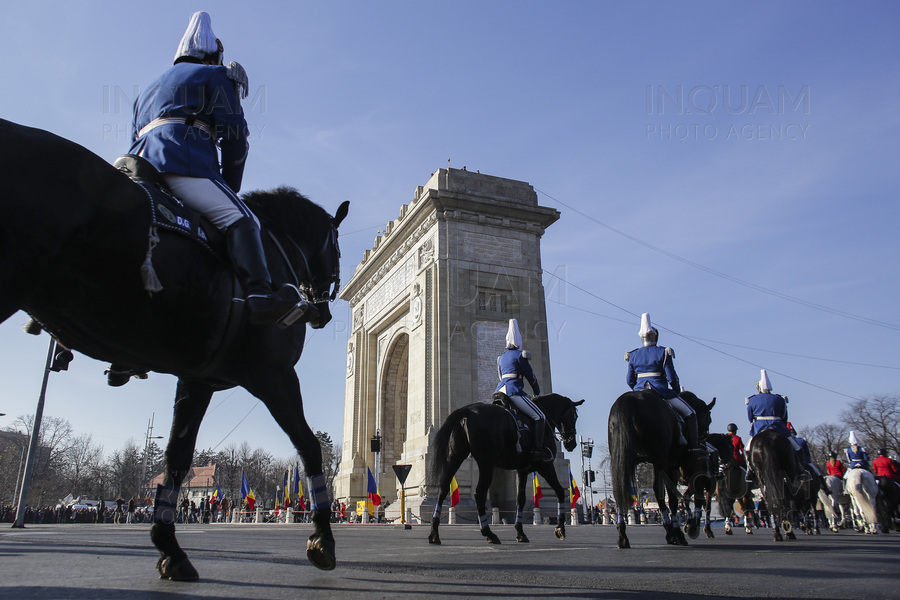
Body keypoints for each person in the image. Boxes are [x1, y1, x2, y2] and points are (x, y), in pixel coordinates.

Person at [130, 11, 300, 325]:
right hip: (182, 162)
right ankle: (260, 294)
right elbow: (234, 134)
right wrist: (229, 183)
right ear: (213, 55)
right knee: (242, 218)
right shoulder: (214, 75)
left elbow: (133, 136)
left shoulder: (145, 92)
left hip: (138, 165)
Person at [625, 313, 706, 466]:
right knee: (690, 413)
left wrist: (637, 390)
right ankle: (694, 448)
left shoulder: (633, 355)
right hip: (660, 390)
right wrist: (676, 391)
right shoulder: (663, 352)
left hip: (638, 391)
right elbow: (672, 378)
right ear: (655, 337)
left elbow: (629, 380)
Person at [496, 319, 550, 461]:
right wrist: (536, 391)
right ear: (518, 342)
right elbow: (530, 376)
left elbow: (500, 376)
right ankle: (537, 450)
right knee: (540, 417)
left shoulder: (501, 358)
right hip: (514, 392)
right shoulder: (521, 355)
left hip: (499, 392)